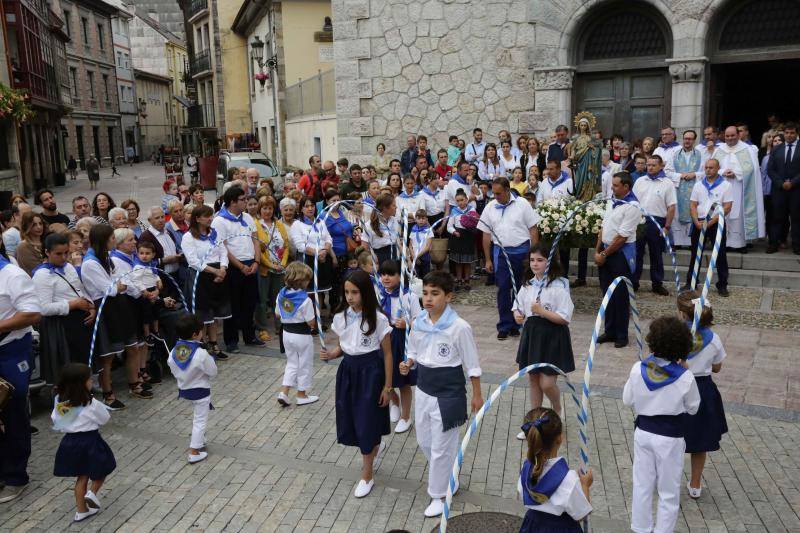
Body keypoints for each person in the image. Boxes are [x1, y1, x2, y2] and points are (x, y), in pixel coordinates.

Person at [398, 271, 483, 517]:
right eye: (425, 293)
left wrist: (477, 395)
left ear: (449, 296)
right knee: (425, 441)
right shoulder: (419, 323)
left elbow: (472, 364)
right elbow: (413, 350)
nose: (428, 298)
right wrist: (409, 363)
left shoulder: (459, 328)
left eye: (435, 294)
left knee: (441, 448)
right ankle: (449, 474)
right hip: (424, 390)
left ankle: (439, 494)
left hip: (449, 394)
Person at [623, 316, 700, 533]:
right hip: (670, 438)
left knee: (642, 485)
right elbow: (693, 407)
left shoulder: (638, 368)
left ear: (652, 341)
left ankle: (640, 529)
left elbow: (627, 400)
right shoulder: (685, 377)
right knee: (668, 491)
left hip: (643, 433)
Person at [320, 270, 393, 498]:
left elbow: (388, 354)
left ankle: (367, 474)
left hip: (370, 373)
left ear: (365, 293)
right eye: (346, 292)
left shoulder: (378, 319)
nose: (350, 297)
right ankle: (370, 454)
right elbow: (344, 345)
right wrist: (333, 354)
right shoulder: (341, 316)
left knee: (366, 420)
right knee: (354, 418)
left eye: (355, 292)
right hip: (348, 372)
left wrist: (387, 386)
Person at [82, 224, 151, 405]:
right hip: (105, 309)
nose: (114, 240)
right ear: (103, 240)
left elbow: (121, 281)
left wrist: (119, 286)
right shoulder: (90, 263)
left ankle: (134, 383)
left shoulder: (106, 257)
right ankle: (108, 393)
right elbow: (110, 289)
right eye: (112, 238)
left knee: (133, 346)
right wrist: (118, 286)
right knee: (108, 356)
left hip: (119, 306)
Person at [513, 245, 575, 439]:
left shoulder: (559, 286)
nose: (535, 264)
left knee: (547, 383)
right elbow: (518, 306)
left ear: (549, 262)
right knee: (533, 379)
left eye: (540, 260)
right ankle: (535, 421)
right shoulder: (527, 285)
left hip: (552, 336)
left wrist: (542, 312)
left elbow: (564, 318)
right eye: (532, 260)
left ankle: (556, 407)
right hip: (532, 335)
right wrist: (518, 314)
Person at [676, 291, 727, 501]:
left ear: (682, 315)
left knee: (674, 438)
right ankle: (695, 483)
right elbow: (717, 368)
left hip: (678, 387)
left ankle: (666, 479)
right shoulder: (714, 339)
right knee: (701, 440)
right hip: (703, 389)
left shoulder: (675, 335)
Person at [51, 363, 116, 522]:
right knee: (104, 467)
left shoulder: (59, 400)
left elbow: (56, 420)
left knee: (82, 477)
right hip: (90, 441)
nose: (92, 381)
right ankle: (92, 493)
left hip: (70, 442)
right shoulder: (91, 403)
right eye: (89, 379)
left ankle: (81, 511)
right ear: (82, 383)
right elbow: (105, 418)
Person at [0, 253, 41, 504]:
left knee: (12, 410)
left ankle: (16, 477)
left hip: (10, 350)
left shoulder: (12, 275)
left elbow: (32, 313)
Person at [479, 177, 540, 340]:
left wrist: (533, 255)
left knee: (522, 289)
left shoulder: (522, 204)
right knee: (503, 289)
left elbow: (533, 229)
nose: (495, 196)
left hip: (522, 252)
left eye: (499, 193)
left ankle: (517, 323)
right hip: (500, 253)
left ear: (507, 190)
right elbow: (485, 234)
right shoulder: (490, 207)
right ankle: (504, 325)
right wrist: (488, 259)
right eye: (494, 193)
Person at [517, 407, 593, 532]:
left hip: (532, 526)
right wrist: (585, 485)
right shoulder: (568, 479)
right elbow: (580, 514)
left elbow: (522, 494)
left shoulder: (525, 470)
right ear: (560, 438)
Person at [32, 233, 95, 384]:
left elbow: (79, 290)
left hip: (79, 322)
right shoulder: (42, 275)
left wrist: (90, 306)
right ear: (47, 252)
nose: (64, 257)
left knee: (82, 362)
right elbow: (43, 308)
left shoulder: (69, 267)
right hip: (60, 326)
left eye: (66, 253)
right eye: (58, 254)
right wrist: (72, 304)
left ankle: (83, 393)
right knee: (67, 367)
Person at [211, 185, 261, 352]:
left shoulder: (247, 217)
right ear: (233, 202)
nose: (246, 202)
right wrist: (240, 266)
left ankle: (249, 335)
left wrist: (256, 262)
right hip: (234, 267)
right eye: (243, 199)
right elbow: (223, 247)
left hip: (251, 263)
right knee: (233, 304)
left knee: (250, 302)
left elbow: (256, 240)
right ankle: (231, 340)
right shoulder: (219, 220)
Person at [595, 172, 641, 348]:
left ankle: (621, 334)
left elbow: (622, 237)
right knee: (607, 293)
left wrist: (604, 254)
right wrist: (597, 250)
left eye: (615, 185)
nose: (612, 188)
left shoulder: (633, 206)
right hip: (606, 250)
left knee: (620, 295)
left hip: (620, 254)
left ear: (626, 187)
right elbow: (603, 227)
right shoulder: (611, 201)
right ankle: (610, 330)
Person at [167, 314, 218, 464]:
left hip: (184, 388)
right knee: (200, 420)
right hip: (200, 391)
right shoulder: (201, 353)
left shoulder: (174, 351)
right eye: (201, 331)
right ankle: (194, 451)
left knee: (198, 419)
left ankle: (200, 440)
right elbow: (213, 372)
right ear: (195, 334)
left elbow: (172, 367)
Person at [377, 260, 421, 433]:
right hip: (382, 337)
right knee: (383, 375)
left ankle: (406, 416)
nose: (386, 278)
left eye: (390, 274)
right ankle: (394, 402)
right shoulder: (379, 293)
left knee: (403, 380)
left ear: (400, 276)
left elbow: (419, 319)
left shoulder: (408, 296)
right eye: (383, 274)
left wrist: (408, 324)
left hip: (400, 339)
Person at [181, 204, 229, 360]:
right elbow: (193, 261)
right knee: (202, 313)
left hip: (218, 274)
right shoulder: (189, 237)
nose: (210, 218)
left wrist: (222, 269)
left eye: (211, 215)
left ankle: (214, 343)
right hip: (200, 277)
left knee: (214, 313)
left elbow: (223, 252)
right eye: (206, 216)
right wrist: (214, 271)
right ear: (197, 218)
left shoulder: (214, 234)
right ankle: (200, 345)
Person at [712, 126, 765, 252]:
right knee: (723, 214)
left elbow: (752, 169)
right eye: (727, 136)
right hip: (722, 189)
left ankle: (740, 244)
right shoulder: (719, 149)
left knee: (738, 215)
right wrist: (723, 171)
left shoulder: (747, 149)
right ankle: (724, 243)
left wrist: (736, 173)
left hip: (739, 188)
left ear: (738, 135)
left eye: (732, 135)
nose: (730, 138)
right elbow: (711, 166)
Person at [685, 159, 733, 296]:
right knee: (695, 253)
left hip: (716, 222)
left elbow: (727, 206)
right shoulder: (699, 185)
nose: (708, 170)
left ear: (718, 168)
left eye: (711, 167)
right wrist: (695, 220)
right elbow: (693, 204)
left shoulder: (726, 185)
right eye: (706, 167)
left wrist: (710, 222)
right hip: (698, 223)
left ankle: (722, 284)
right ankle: (691, 282)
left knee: (720, 254)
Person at [275, 261, 318, 406]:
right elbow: (311, 322)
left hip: (286, 334)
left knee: (292, 363)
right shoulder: (305, 300)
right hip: (302, 335)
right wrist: (314, 322)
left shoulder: (281, 295)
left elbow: (277, 314)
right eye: (307, 280)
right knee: (304, 363)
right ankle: (301, 395)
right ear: (301, 281)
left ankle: (284, 392)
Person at [632, 155, 675, 295]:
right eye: (648, 165)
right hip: (639, 220)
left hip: (657, 222)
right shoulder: (640, 181)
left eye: (653, 165)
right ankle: (633, 282)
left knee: (656, 254)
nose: (650, 167)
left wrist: (667, 226)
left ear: (661, 166)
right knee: (637, 253)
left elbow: (671, 206)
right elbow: (632, 201)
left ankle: (657, 283)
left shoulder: (667, 183)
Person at [290, 197, 335, 314]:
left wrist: (325, 250)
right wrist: (317, 252)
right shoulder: (297, 224)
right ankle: (309, 319)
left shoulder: (320, 221)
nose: (310, 208)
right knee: (308, 291)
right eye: (306, 206)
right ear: (301, 209)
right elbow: (300, 245)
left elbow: (328, 238)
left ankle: (318, 316)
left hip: (323, 259)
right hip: (307, 260)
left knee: (319, 290)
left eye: (312, 206)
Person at [254, 196, 289, 340]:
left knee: (278, 298)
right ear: (259, 209)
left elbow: (286, 245)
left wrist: (283, 263)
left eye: (270, 208)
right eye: (264, 208)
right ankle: (261, 328)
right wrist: (270, 264)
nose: (267, 211)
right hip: (264, 269)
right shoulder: (255, 224)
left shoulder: (279, 224)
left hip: (280, 268)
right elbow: (257, 249)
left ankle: (280, 325)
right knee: (262, 300)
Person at [767, 122, 800, 254]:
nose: (789, 135)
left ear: (796, 133)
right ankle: (774, 243)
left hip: (797, 190)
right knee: (777, 217)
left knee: (797, 218)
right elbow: (770, 169)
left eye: (792, 132)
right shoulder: (776, 149)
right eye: (786, 132)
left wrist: (793, 182)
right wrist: (781, 183)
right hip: (779, 190)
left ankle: (797, 245)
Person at [667, 130, 704, 248]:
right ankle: (678, 242)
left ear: (694, 140)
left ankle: (690, 242)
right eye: (685, 138)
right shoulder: (674, 154)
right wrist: (680, 176)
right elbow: (667, 171)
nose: (687, 141)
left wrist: (695, 175)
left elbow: (705, 171)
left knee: (693, 212)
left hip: (694, 188)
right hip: (678, 189)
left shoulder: (700, 154)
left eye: (690, 139)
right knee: (677, 213)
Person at [567, 113, 603, 202]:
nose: (583, 127)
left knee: (588, 178)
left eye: (585, 125)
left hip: (588, 162)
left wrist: (593, 148)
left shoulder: (590, 138)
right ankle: (579, 196)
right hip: (579, 162)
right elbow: (574, 149)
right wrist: (571, 156)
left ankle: (587, 198)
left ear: (587, 126)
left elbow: (597, 148)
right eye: (581, 125)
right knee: (579, 180)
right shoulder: (576, 138)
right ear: (579, 126)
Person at [447, 189, 478, 290]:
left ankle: (467, 281)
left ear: (466, 200)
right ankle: (459, 280)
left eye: (462, 200)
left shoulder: (471, 210)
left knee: (467, 261)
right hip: (458, 237)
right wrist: (454, 232)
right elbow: (449, 226)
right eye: (458, 200)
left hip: (468, 236)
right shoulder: (454, 211)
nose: (460, 202)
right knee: (458, 261)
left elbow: (475, 221)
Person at [364, 193, 400, 267]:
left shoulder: (394, 220)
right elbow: (365, 248)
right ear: (385, 208)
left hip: (394, 254)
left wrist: (407, 260)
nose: (396, 207)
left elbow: (398, 241)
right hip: (379, 258)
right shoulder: (369, 225)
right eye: (393, 205)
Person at [15, 212, 46, 276]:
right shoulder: (23, 247)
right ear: (27, 227)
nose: (39, 227)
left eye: (40, 223)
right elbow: (36, 270)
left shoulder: (47, 241)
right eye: (34, 225)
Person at [409, 209, 432, 279]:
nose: (421, 220)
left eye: (423, 218)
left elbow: (428, 246)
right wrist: (414, 257)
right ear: (415, 219)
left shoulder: (428, 230)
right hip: (414, 256)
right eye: (418, 218)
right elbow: (410, 245)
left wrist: (417, 256)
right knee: (416, 276)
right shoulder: (413, 229)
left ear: (426, 219)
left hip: (425, 257)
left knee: (425, 277)